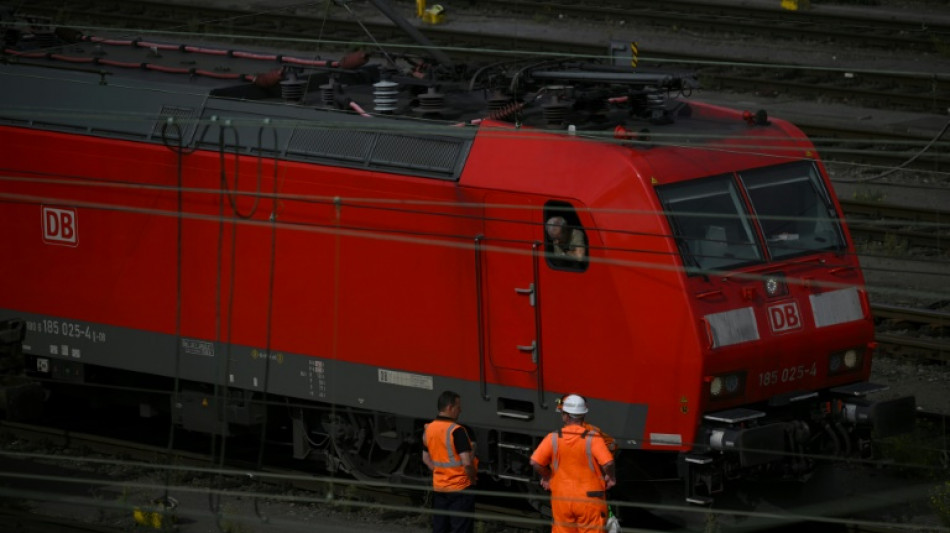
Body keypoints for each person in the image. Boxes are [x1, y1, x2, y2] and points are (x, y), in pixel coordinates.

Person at [530, 394, 617, 533]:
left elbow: (535, 462)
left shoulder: (553, 437)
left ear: (565, 416)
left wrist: (547, 477)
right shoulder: (593, 436)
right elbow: (608, 462)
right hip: (589, 499)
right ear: (583, 415)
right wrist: (610, 477)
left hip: (562, 499)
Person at [422, 391, 478, 533]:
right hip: (459, 489)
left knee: (440, 528)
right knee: (460, 528)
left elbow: (425, 459)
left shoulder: (428, 429)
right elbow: (466, 463)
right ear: (449, 408)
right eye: (458, 407)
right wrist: (472, 479)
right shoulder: (457, 431)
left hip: (440, 489)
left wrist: (439, 472)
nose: (460, 410)